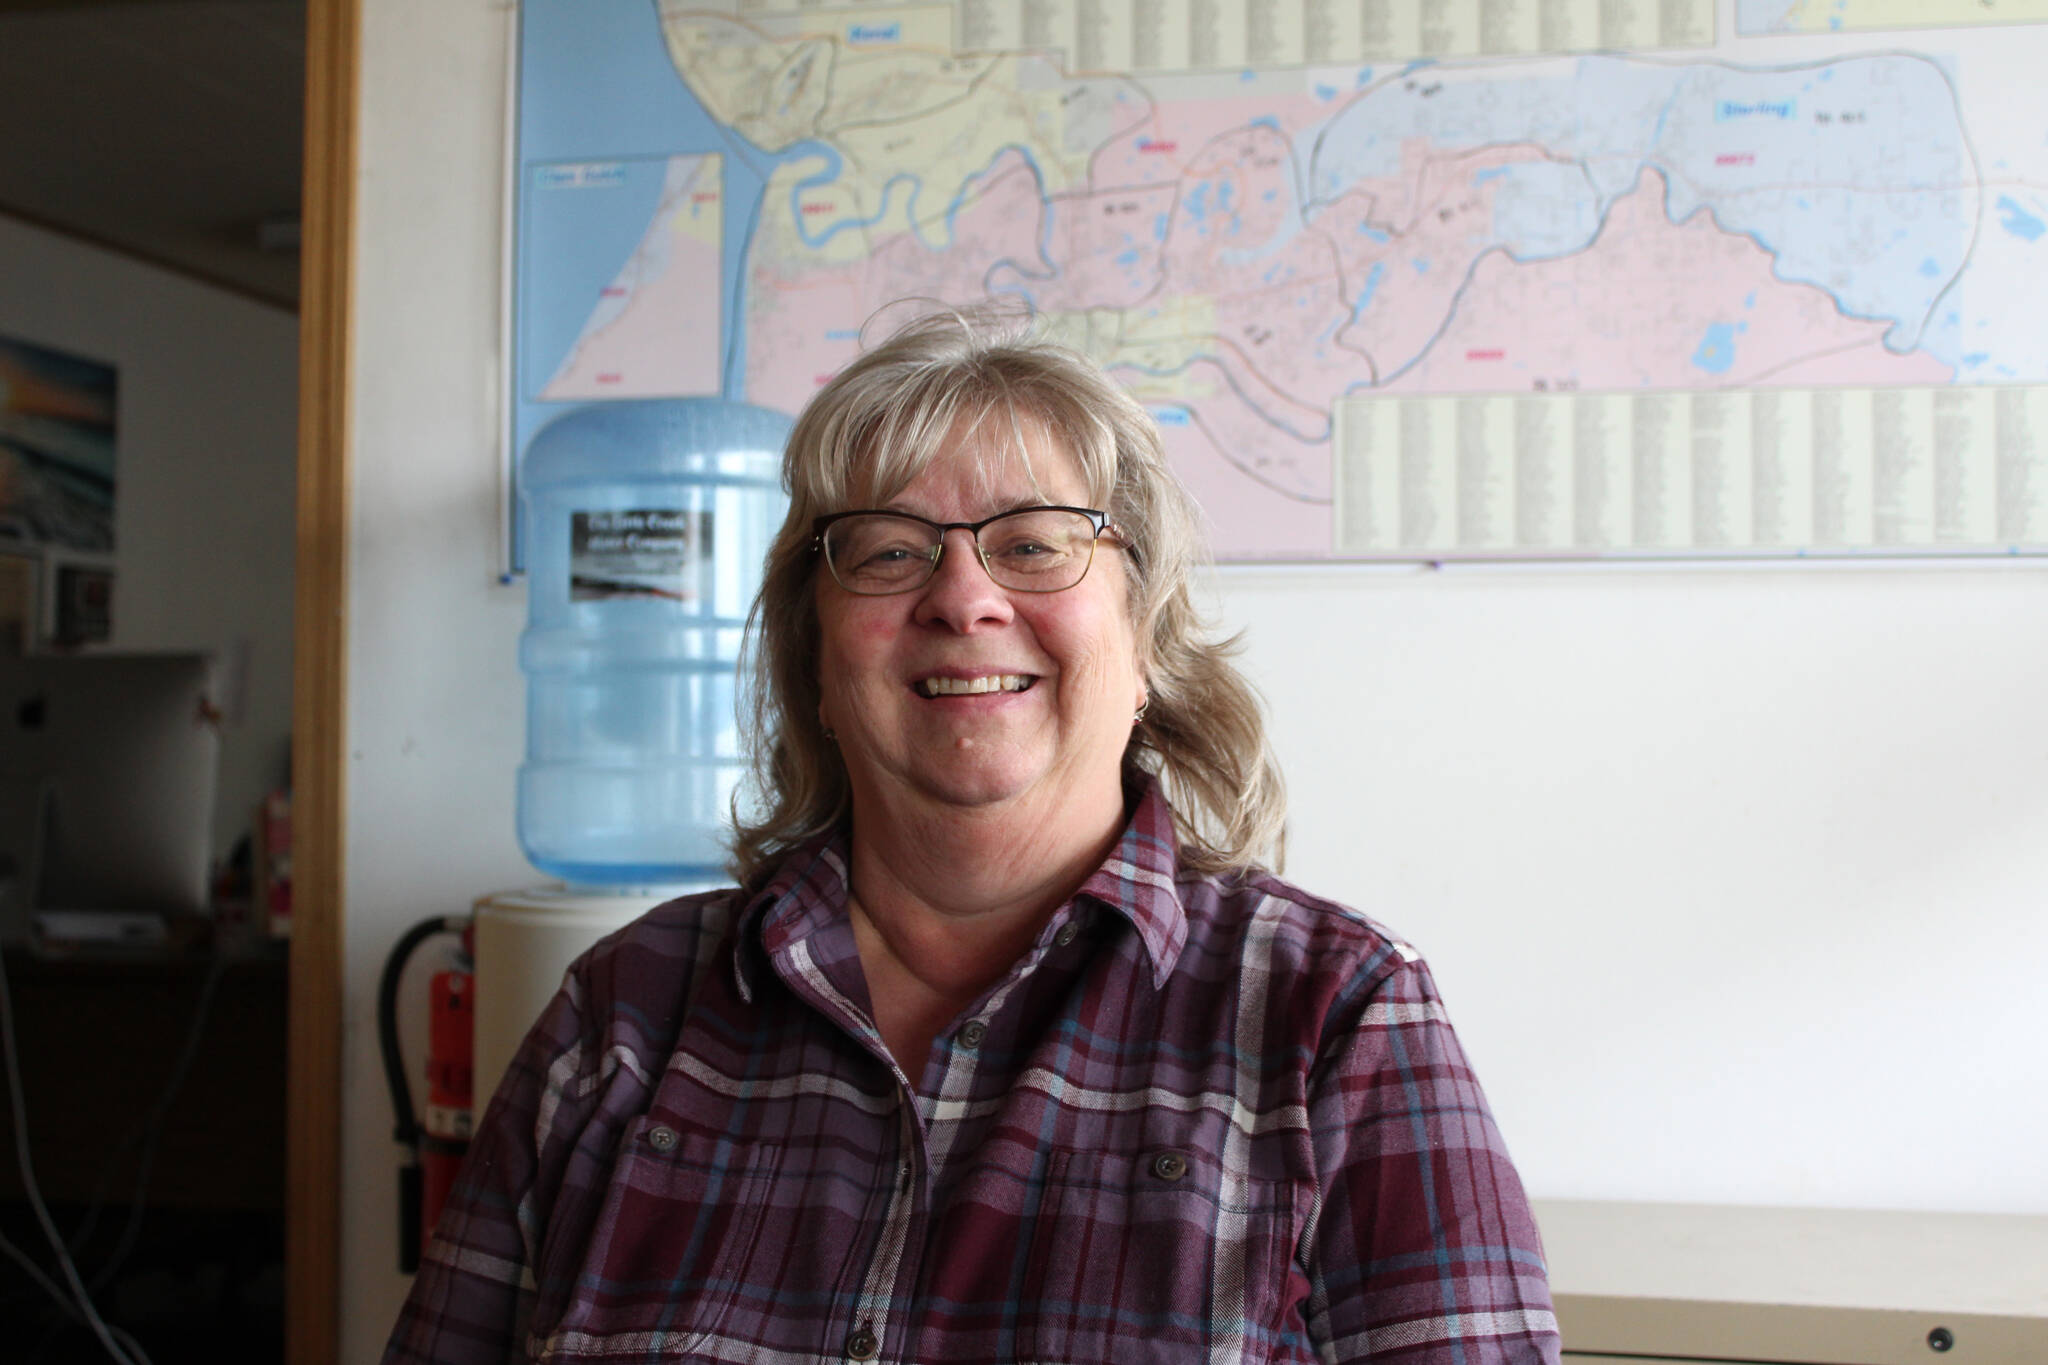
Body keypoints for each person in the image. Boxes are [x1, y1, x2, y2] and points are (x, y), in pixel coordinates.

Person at [384, 310, 1559, 1364]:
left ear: (1143, 639)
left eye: (1036, 544)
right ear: (817, 665)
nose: (961, 597)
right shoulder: (620, 1019)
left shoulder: (1335, 1020)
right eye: (889, 550)